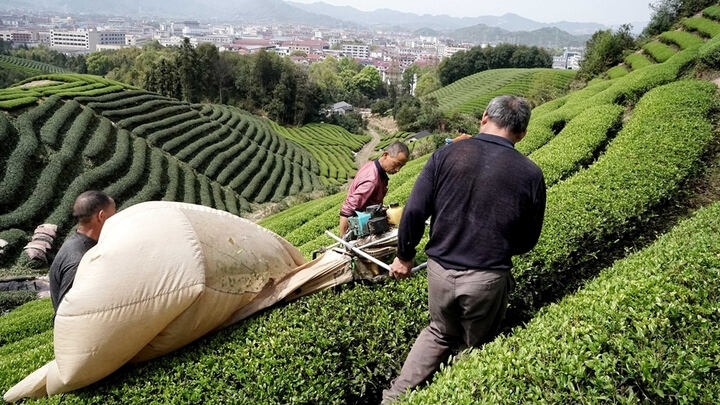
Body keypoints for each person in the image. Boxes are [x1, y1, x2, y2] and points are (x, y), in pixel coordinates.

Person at [382, 95, 546, 403]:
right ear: (522, 133)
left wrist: (404, 257)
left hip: (440, 271)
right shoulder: (530, 174)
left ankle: (393, 398)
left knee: (438, 332)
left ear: (484, 117)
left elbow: (415, 210)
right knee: (475, 347)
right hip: (486, 279)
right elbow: (528, 240)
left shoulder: (447, 155)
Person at [49, 190, 116, 313]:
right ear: (101, 216)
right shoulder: (79, 259)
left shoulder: (77, 244)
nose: (116, 220)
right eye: (113, 215)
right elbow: (67, 312)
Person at [339, 142, 409, 237]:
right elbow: (347, 210)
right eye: (396, 164)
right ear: (386, 155)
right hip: (360, 230)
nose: (398, 169)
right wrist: (344, 241)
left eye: (401, 166)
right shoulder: (372, 180)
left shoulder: (372, 165)